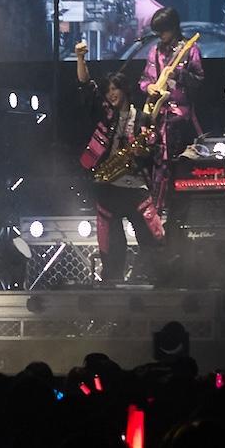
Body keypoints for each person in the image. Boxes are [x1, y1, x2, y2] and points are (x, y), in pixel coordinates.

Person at [76, 41, 163, 283]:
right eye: (108, 90)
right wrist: (80, 59)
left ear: (124, 90)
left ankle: (151, 281)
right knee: (111, 247)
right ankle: (112, 286)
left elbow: (154, 150)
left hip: (136, 188)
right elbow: (87, 87)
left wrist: (144, 150)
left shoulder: (142, 118)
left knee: (153, 240)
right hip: (108, 189)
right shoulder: (106, 114)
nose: (111, 94)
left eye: (115, 89)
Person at [140, 6, 204, 213]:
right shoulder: (154, 51)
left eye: (163, 30)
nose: (161, 35)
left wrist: (179, 76)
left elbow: (199, 81)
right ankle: (156, 212)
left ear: (173, 27)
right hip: (157, 119)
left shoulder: (190, 49)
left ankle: (178, 213)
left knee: (179, 168)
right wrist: (149, 87)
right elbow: (144, 80)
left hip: (180, 120)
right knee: (156, 168)